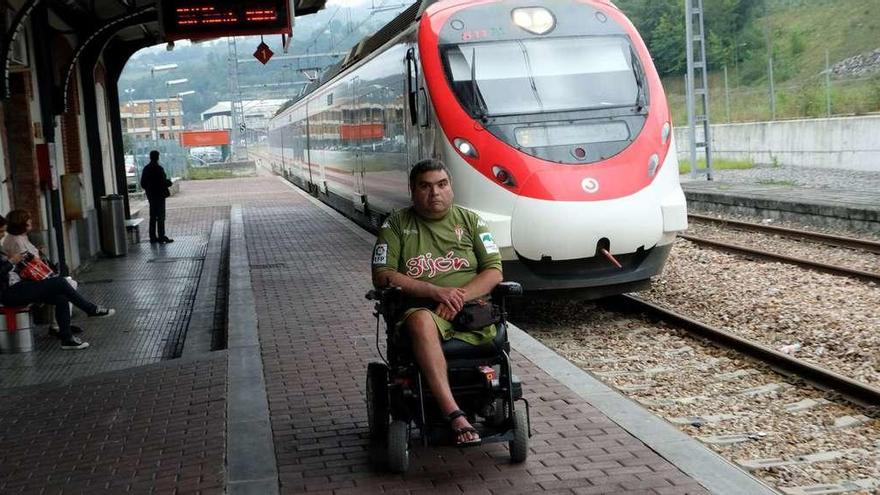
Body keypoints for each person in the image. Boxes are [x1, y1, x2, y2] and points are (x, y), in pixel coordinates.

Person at [371, 158, 503, 447]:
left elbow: (494, 270)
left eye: (442, 185)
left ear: (451, 187)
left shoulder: (470, 221)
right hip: (422, 312)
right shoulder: (396, 224)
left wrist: (458, 296)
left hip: (471, 313)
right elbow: (383, 275)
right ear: (412, 190)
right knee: (419, 319)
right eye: (426, 187)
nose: (435, 193)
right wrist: (434, 292)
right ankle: (453, 413)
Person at [0, 215, 115, 350]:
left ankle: (67, 339)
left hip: (18, 285)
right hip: (9, 293)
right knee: (59, 283)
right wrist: (11, 262)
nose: (3, 234)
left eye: (3, 231)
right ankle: (90, 309)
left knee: (61, 298)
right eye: (0, 231)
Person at [139, 150, 174, 244]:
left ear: (150, 157)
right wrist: (169, 182)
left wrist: (149, 190)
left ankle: (153, 237)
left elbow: (142, 183)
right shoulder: (159, 169)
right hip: (160, 196)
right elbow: (162, 182)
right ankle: (161, 236)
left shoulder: (146, 168)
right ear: (158, 157)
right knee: (161, 217)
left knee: (153, 216)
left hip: (151, 196)